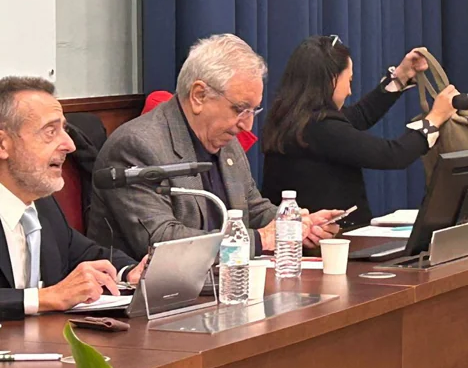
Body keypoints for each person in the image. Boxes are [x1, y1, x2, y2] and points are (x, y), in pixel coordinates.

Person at [87, 34, 341, 258]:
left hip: (225, 286)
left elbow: (252, 208)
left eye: (253, 111)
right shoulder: (137, 146)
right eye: (240, 109)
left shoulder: (224, 139)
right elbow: (161, 241)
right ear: (199, 95)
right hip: (151, 301)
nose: (248, 126)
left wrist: (294, 224)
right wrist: (260, 240)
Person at [260, 36, 459, 229]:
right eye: (349, 81)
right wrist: (435, 119)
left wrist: (400, 78)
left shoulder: (294, 118)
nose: (349, 91)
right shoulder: (320, 128)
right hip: (330, 244)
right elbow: (393, 155)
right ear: (332, 80)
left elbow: (359, 115)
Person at [0, 77, 146, 320]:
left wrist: (129, 272)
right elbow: (51, 296)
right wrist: (45, 297)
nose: (69, 145)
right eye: (50, 131)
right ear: (3, 145)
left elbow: (86, 253)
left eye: (64, 130)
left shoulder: (43, 205)